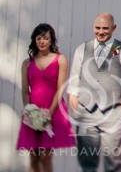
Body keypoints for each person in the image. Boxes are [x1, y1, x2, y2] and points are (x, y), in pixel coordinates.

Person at [68, 13, 121, 172]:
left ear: (114, 28)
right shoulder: (82, 49)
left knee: (113, 163)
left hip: (113, 113)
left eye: (105, 28)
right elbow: (73, 83)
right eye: (97, 28)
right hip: (86, 113)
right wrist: (77, 110)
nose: (100, 32)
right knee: (87, 162)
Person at [16, 23, 75, 171]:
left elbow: (61, 89)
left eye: (45, 38)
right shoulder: (27, 64)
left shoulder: (60, 59)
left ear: (51, 40)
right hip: (32, 113)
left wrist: (49, 113)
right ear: (34, 40)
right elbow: (25, 91)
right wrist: (30, 112)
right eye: (39, 38)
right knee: (33, 157)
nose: (42, 41)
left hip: (53, 112)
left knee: (45, 156)